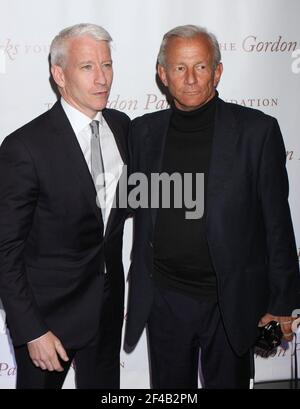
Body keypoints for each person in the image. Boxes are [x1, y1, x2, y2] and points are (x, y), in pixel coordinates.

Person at [125, 25, 300, 389]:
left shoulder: (257, 131)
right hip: (165, 299)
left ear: (217, 71)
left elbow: (277, 225)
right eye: (178, 68)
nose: (190, 79)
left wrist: (283, 301)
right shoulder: (142, 132)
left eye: (201, 67)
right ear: (162, 74)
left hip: (230, 301)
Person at [0, 23, 130, 389]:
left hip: (107, 311)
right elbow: (5, 249)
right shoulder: (25, 147)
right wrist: (32, 330)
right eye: (88, 67)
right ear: (59, 74)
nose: (102, 78)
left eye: (107, 65)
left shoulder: (121, 127)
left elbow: (119, 208)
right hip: (48, 318)